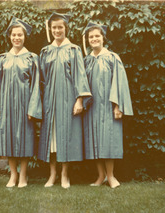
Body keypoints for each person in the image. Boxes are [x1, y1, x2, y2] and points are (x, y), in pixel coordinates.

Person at [38, 13, 92, 189]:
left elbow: (80, 76)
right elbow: (42, 79)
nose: (57, 30)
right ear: (50, 29)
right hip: (50, 101)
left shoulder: (74, 50)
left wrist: (79, 100)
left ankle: (64, 175)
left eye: (60, 27)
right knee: (51, 139)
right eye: (54, 27)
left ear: (66, 28)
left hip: (68, 99)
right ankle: (52, 174)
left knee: (67, 136)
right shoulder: (46, 51)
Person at [0, 17, 42, 188]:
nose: (17, 37)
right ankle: (13, 175)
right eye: (14, 35)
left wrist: (33, 108)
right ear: (9, 36)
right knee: (8, 138)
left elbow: (36, 85)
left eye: (20, 34)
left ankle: (24, 176)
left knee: (26, 138)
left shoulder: (32, 58)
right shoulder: (2, 59)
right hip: (7, 105)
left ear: (24, 36)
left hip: (25, 104)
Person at [82, 22, 133, 188]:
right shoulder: (87, 60)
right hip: (92, 107)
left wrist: (117, 106)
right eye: (91, 37)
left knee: (108, 140)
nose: (94, 39)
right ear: (88, 40)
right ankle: (101, 176)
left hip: (108, 107)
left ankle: (111, 176)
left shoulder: (112, 58)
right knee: (94, 140)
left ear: (103, 38)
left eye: (97, 36)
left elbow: (119, 83)